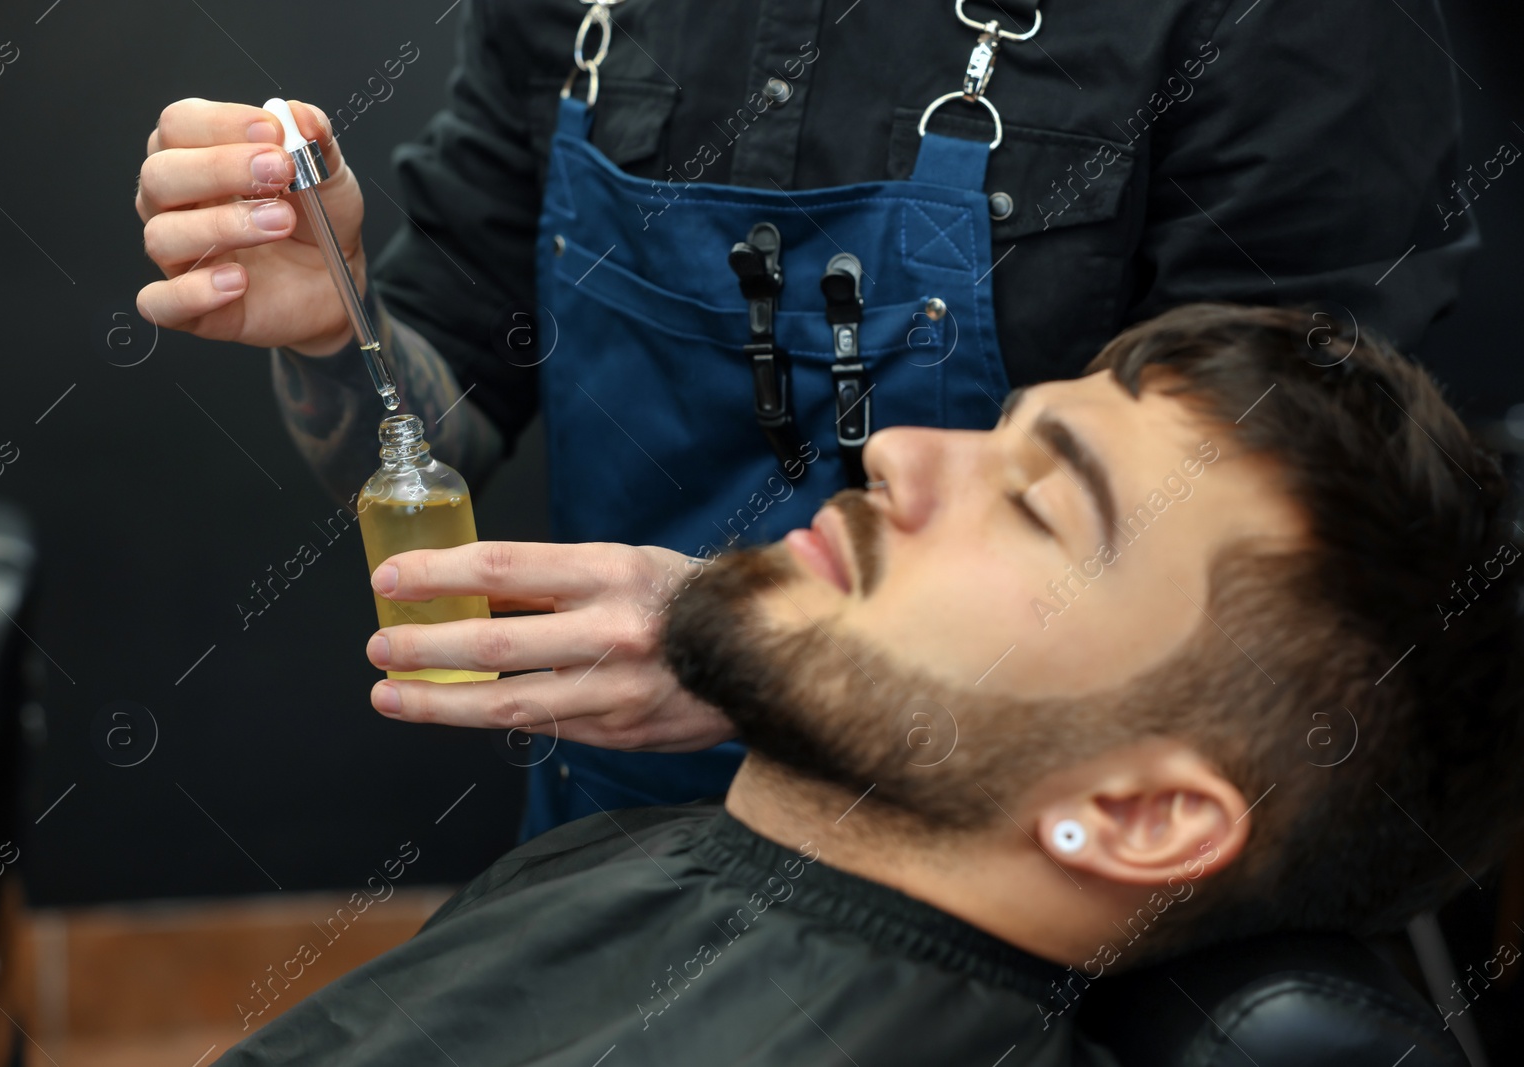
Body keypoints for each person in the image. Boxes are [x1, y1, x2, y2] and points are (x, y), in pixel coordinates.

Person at [134, 0, 1478, 835]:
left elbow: (1288, 629)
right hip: (610, 834)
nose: (904, 470)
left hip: (1000, 876)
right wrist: (336, 325)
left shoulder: (1294, 27)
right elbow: (439, 419)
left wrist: (770, 657)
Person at [214, 305, 1524, 1064]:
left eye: (1038, 508)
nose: (898, 452)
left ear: (1138, 816)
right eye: (998, 427)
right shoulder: (640, 862)